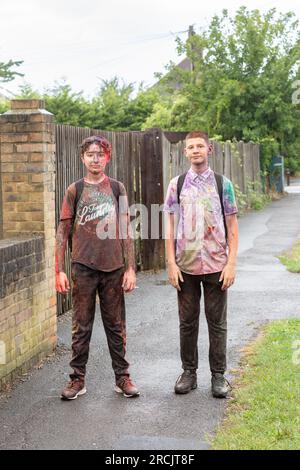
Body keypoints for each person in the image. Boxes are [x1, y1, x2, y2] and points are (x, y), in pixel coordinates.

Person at [55, 135, 139, 399]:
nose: (95, 158)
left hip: (113, 268)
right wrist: (58, 270)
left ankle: (122, 378)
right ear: (82, 158)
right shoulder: (74, 190)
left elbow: (127, 228)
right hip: (83, 267)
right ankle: (77, 380)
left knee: (116, 326)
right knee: (81, 326)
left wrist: (130, 269)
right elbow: (62, 231)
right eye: (90, 154)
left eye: (100, 154)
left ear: (107, 158)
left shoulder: (117, 188)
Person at [164, 131, 239, 398]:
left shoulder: (222, 184)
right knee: (187, 322)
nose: (195, 150)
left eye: (200, 146)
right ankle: (189, 373)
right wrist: (171, 264)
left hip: (217, 265)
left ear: (209, 149)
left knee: (217, 323)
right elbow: (170, 226)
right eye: (190, 147)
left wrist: (231, 264)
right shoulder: (177, 184)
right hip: (186, 266)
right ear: (185, 152)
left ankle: (218, 376)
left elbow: (232, 226)